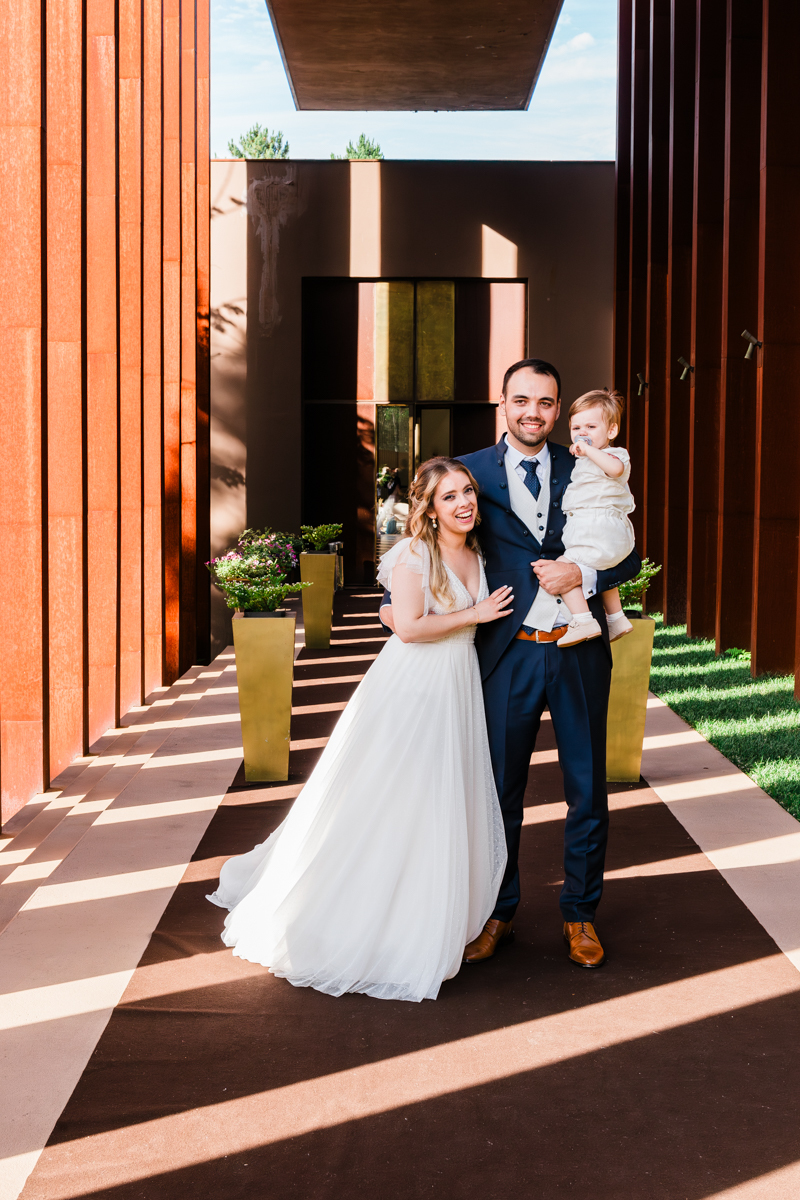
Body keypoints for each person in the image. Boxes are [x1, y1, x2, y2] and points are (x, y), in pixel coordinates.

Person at [207, 457, 512, 1003]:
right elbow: (412, 629)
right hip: (413, 688)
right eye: (449, 497)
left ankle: (429, 906)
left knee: (439, 799)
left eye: (468, 492)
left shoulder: (475, 551)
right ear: (429, 507)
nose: (464, 503)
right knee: (393, 796)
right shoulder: (417, 552)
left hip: (456, 686)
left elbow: (397, 615)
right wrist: (476, 614)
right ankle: (372, 920)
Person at [382, 359, 641, 970]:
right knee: (498, 790)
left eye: (546, 403)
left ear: (558, 410)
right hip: (504, 652)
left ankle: (580, 914)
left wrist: (588, 574)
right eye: (521, 400)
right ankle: (498, 913)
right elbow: (426, 539)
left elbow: (625, 548)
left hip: (577, 651)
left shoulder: (590, 461)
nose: (534, 413)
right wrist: (398, 603)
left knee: (586, 789)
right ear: (502, 403)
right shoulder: (467, 473)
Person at [554, 389, 636, 648]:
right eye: (576, 427)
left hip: (601, 528)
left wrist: (588, 452)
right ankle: (617, 618)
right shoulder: (585, 458)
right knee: (600, 569)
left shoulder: (615, 455)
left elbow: (615, 469)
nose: (582, 433)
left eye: (591, 426)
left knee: (561, 567)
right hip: (601, 532)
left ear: (611, 432)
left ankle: (583, 619)